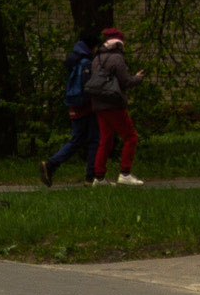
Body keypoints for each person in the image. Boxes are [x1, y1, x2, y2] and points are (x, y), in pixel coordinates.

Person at [85, 26, 147, 185]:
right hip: (113, 103)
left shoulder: (96, 58)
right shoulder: (117, 59)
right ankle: (125, 173)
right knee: (131, 136)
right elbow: (125, 82)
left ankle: (99, 177)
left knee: (105, 139)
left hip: (98, 104)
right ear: (119, 43)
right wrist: (138, 78)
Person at [40, 38, 98, 187]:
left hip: (74, 104)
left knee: (76, 139)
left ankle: (52, 164)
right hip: (86, 106)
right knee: (93, 140)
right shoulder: (86, 62)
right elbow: (88, 87)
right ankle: (90, 177)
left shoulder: (74, 60)